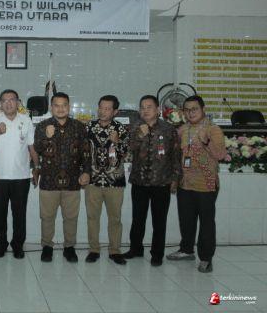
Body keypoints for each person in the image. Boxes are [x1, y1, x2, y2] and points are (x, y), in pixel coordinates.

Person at [167, 95, 227, 273]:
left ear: (203, 109)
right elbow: (175, 156)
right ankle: (186, 250)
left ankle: (206, 258)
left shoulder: (213, 130)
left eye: (194, 109)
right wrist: (174, 179)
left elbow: (220, 154)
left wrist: (206, 141)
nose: (190, 113)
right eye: (187, 110)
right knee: (186, 220)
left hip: (206, 184)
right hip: (185, 183)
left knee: (206, 223)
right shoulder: (182, 130)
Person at [123, 95, 182, 267]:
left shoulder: (168, 129)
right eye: (142, 107)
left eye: (149, 107)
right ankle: (136, 249)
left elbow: (176, 155)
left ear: (158, 110)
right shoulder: (134, 127)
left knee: (159, 221)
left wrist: (175, 178)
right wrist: (140, 135)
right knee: (137, 219)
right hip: (139, 181)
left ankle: (157, 254)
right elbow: (128, 149)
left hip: (161, 181)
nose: (145, 110)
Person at [33, 92, 90, 262]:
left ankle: (69, 247)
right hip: (49, 181)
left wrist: (86, 172)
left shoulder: (79, 126)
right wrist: (47, 136)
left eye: (64, 105)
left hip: (72, 181)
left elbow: (86, 152)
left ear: (69, 107)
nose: (60, 108)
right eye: (56, 105)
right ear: (51, 108)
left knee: (71, 217)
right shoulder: (43, 126)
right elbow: (37, 149)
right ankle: (47, 247)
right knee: (47, 217)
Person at [0, 89, 38, 259]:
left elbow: (32, 147)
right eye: (4, 100)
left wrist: (37, 168)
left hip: (21, 177)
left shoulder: (26, 120)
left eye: (12, 99)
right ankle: (0, 245)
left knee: (19, 214)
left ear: (18, 102)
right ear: (0, 103)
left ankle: (17, 245)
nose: (8, 103)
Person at [85, 95, 129, 265]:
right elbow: (83, 152)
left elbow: (127, 154)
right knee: (92, 217)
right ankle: (94, 249)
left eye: (107, 109)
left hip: (114, 181)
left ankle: (115, 251)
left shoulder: (121, 128)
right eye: (100, 108)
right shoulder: (89, 126)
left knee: (115, 218)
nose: (102, 112)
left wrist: (117, 142)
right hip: (93, 180)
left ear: (115, 111)